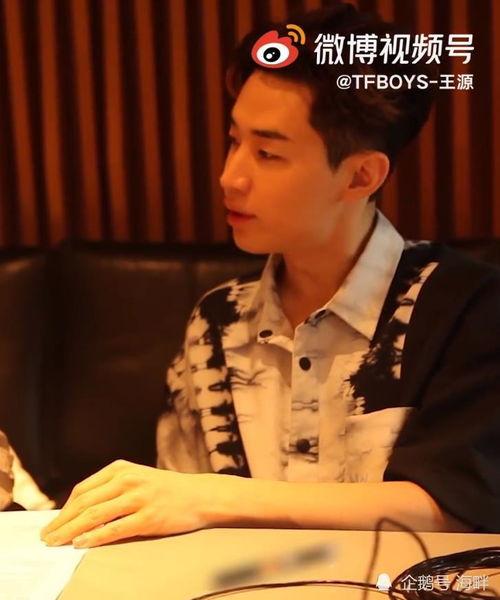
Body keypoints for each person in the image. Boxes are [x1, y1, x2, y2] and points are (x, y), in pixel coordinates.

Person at [41, 3, 500, 548]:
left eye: (267, 153)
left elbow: (456, 507)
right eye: (235, 141)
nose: (229, 177)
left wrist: (212, 498)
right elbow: (174, 521)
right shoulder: (219, 320)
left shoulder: (467, 308)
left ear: (361, 176)